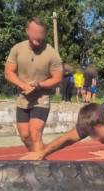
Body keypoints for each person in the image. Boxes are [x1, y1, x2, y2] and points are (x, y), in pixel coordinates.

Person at [4, 17, 63, 153]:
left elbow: (57, 78)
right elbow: (8, 72)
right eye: (34, 32)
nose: (37, 36)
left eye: (40, 33)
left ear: (45, 34)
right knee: (25, 135)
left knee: (35, 133)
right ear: (27, 31)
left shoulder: (52, 54)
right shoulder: (17, 49)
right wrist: (23, 85)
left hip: (41, 97)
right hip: (23, 97)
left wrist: (40, 85)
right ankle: (39, 158)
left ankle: (38, 166)